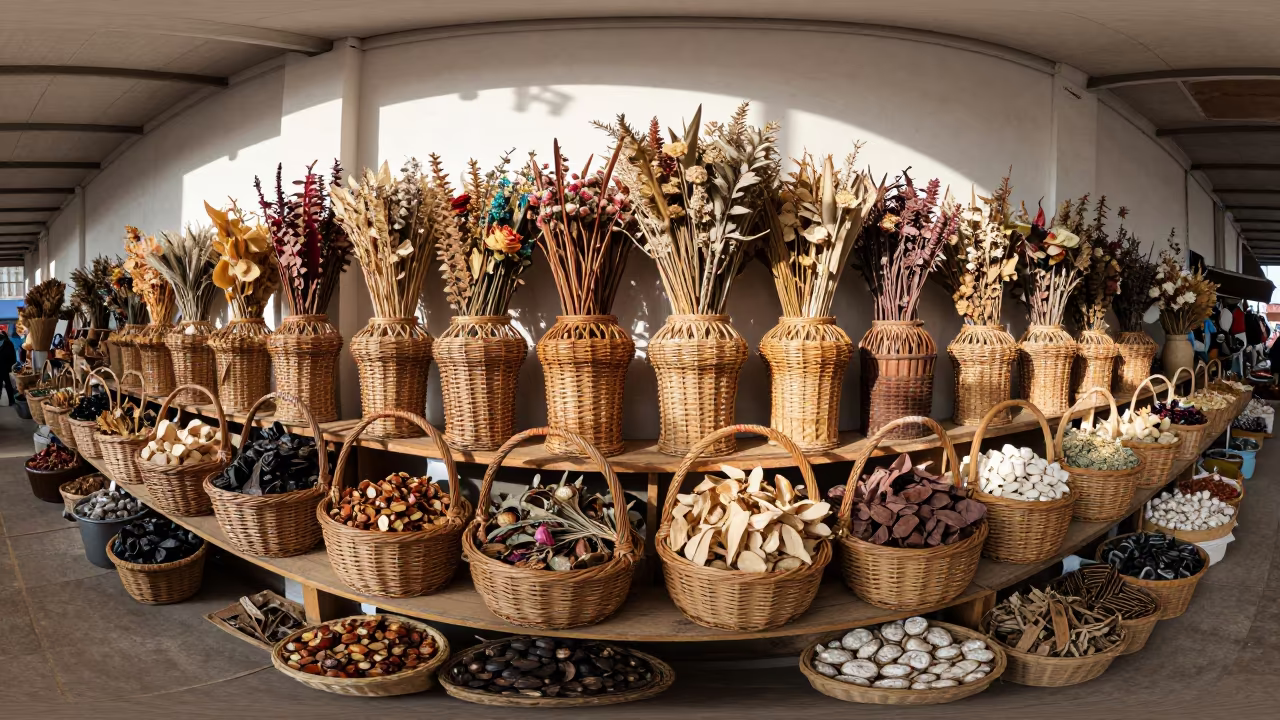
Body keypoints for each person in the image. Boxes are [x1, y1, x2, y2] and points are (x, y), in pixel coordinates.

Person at [0, 332, 16, 405]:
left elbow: (13, 356)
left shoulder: (8, 344)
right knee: (8, 384)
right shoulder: (9, 343)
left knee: (9, 384)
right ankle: (11, 401)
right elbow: (13, 356)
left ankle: (11, 400)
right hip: (7, 367)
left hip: (7, 367)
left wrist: (12, 366)